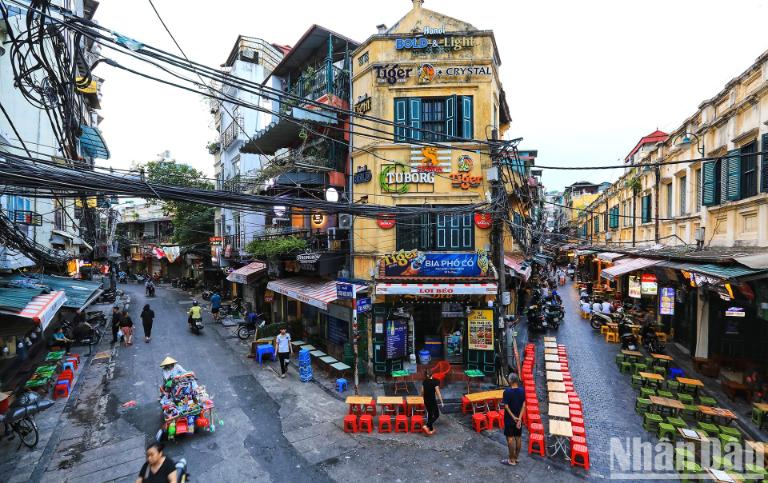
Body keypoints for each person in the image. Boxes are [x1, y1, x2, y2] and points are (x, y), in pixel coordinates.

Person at [501, 374, 526, 467]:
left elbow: (506, 406)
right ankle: (516, 457)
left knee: (510, 439)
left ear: (511, 381)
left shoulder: (507, 392)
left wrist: (513, 417)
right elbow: (524, 405)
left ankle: (511, 460)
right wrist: (519, 418)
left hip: (509, 419)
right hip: (519, 419)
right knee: (518, 438)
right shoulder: (522, 390)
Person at [420, 369, 444, 435]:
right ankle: (427, 425)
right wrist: (441, 402)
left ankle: (430, 429)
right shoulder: (435, 382)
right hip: (432, 401)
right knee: (436, 415)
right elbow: (438, 393)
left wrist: (421, 397)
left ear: (426, 375)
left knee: (430, 413)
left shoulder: (424, 382)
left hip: (426, 400)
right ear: (432, 375)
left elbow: (422, 391)